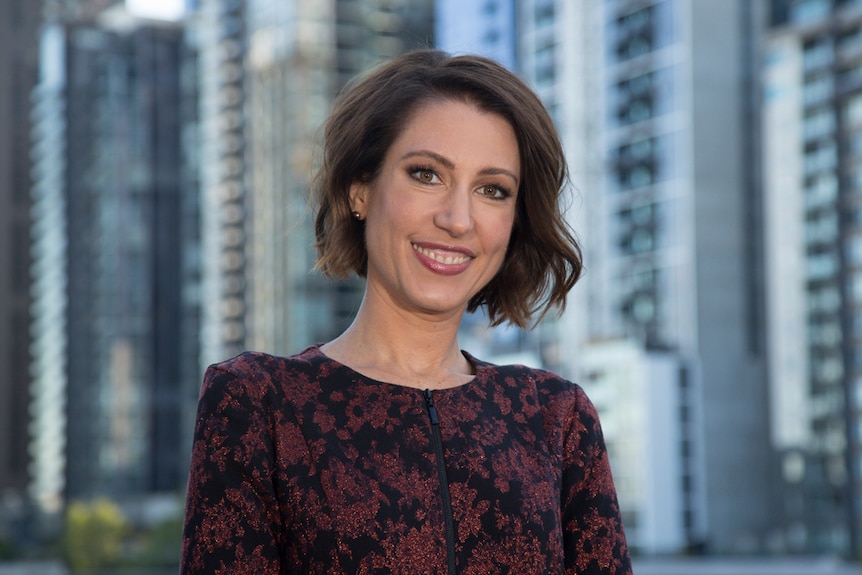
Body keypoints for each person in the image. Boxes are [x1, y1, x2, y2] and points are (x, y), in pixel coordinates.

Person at [180, 49, 632, 575]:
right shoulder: (258, 403)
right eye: (426, 174)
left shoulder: (556, 418)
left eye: (492, 190)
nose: (458, 219)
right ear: (360, 190)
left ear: (514, 222)